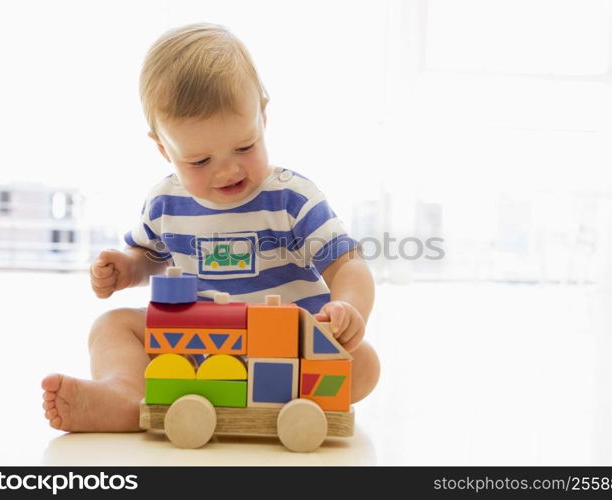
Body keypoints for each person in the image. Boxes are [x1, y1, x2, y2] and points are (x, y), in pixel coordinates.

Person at [42, 23, 380, 431]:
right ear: (164, 148)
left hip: (287, 349)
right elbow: (150, 256)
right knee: (111, 326)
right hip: (194, 346)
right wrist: (128, 267)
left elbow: (347, 265)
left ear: (263, 117)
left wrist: (347, 310)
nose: (227, 170)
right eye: (199, 161)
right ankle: (128, 396)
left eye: (244, 146)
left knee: (364, 364)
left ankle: (281, 397)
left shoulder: (291, 197)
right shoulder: (166, 201)